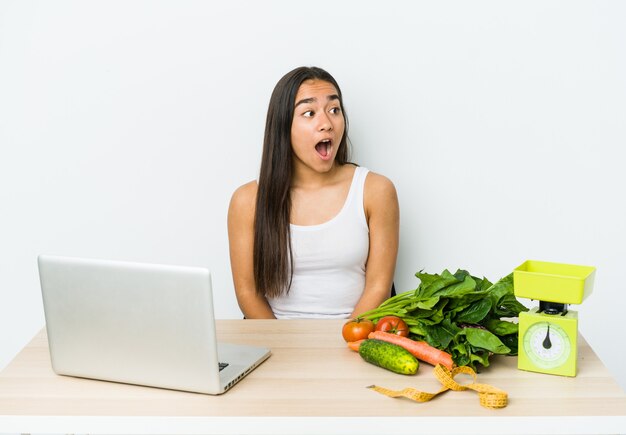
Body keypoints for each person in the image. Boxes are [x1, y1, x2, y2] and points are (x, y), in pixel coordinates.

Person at [227, 66, 399, 319]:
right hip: (277, 344)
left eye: (334, 110)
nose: (327, 124)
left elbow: (379, 288)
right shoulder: (247, 201)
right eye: (309, 113)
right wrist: (283, 349)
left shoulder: (376, 191)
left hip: (353, 341)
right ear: (283, 127)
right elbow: (247, 293)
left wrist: (342, 344)